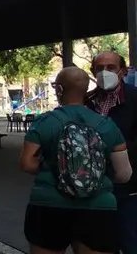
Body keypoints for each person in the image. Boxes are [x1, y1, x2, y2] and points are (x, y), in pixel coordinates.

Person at [20, 66, 132, 254]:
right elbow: (124, 173)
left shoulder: (45, 121)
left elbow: (25, 163)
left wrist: (58, 169)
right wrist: (95, 176)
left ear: (60, 90)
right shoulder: (106, 125)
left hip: (49, 205)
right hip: (98, 207)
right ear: (86, 89)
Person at [85, 51, 137, 253]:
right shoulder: (86, 102)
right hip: (94, 189)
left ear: (122, 71)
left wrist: (114, 152)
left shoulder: (134, 99)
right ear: (92, 72)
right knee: (102, 244)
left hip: (129, 188)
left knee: (130, 242)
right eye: (99, 68)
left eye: (111, 67)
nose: (105, 72)